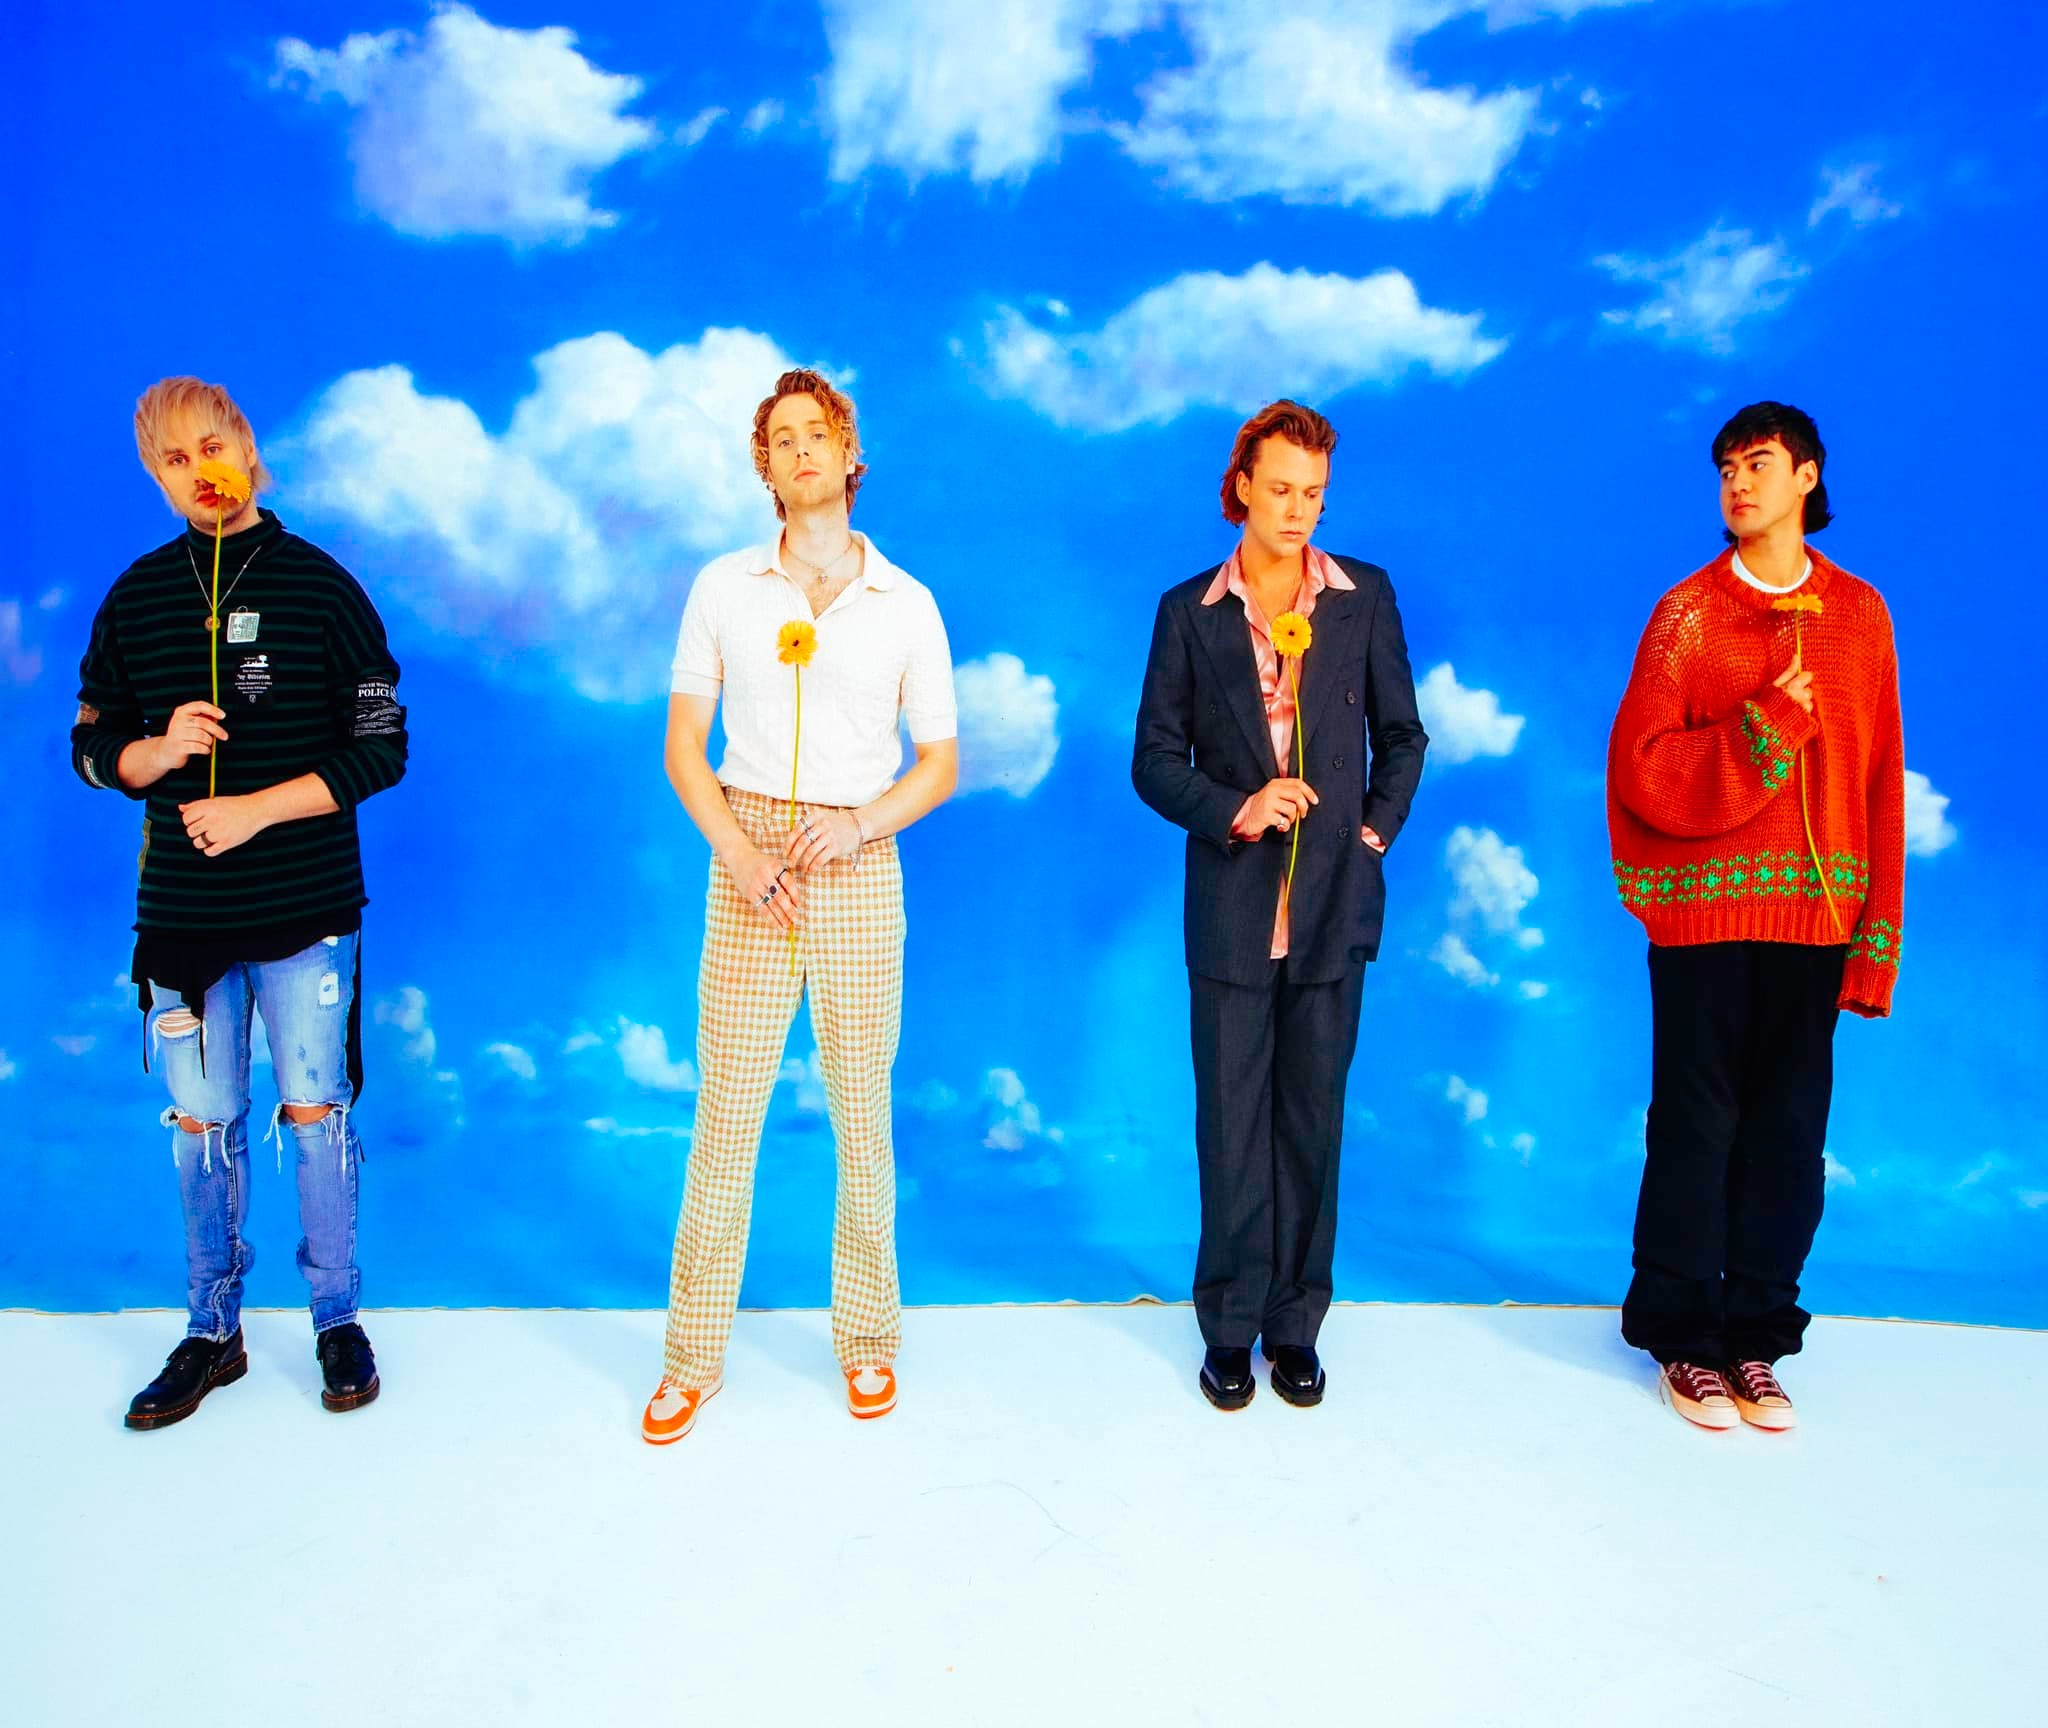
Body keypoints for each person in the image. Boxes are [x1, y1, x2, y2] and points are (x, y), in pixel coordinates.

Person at [72, 376, 408, 1429]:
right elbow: (90, 745)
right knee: (202, 1123)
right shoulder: (135, 595)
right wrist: (154, 751)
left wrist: (259, 809)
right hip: (182, 919)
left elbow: (383, 748)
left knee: (315, 1112)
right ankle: (211, 1331)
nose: (199, 472)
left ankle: (336, 1319)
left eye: (211, 446)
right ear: (155, 476)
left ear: (247, 447)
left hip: (306, 907)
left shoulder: (322, 586)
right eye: (174, 460)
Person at [643, 368, 958, 1444]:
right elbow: (684, 747)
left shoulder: (907, 602)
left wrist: (861, 824)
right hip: (749, 857)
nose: (802, 449)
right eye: (782, 438)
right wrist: (739, 853)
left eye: (818, 432)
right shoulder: (723, 587)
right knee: (725, 1119)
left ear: (849, 453)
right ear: (764, 468)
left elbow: (940, 764)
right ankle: (691, 1358)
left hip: (857, 859)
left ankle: (867, 1339)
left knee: (862, 1114)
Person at [1608, 401, 1904, 1431]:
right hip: (1702, 918)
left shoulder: (1860, 617)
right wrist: (1766, 726)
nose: (1738, 483)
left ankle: (1754, 1340)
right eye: (1727, 467)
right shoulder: (1685, 615)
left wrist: (1874, 939)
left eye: (1759, 463)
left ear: (1807, 476)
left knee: (1788, 1138)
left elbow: (1878, 784)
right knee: (1695, 1129)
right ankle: (1682, 1341)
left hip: (1817, 922)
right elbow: (1639, 768)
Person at [1133, 400, 1427, 1412]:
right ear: (1241, 488)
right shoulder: (1187, 612)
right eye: (1281, 489)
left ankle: (1295, 1326)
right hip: (1230, 909)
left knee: (1311, 1125)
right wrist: (1239, 807)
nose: (1298, 510)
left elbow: (1403, 738)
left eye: (1315, 493)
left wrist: (1369, 837)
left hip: (1333, 907)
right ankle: (1228, 1328)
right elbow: (1152, 761)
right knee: (1230, 1127)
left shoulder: (1363, 596)